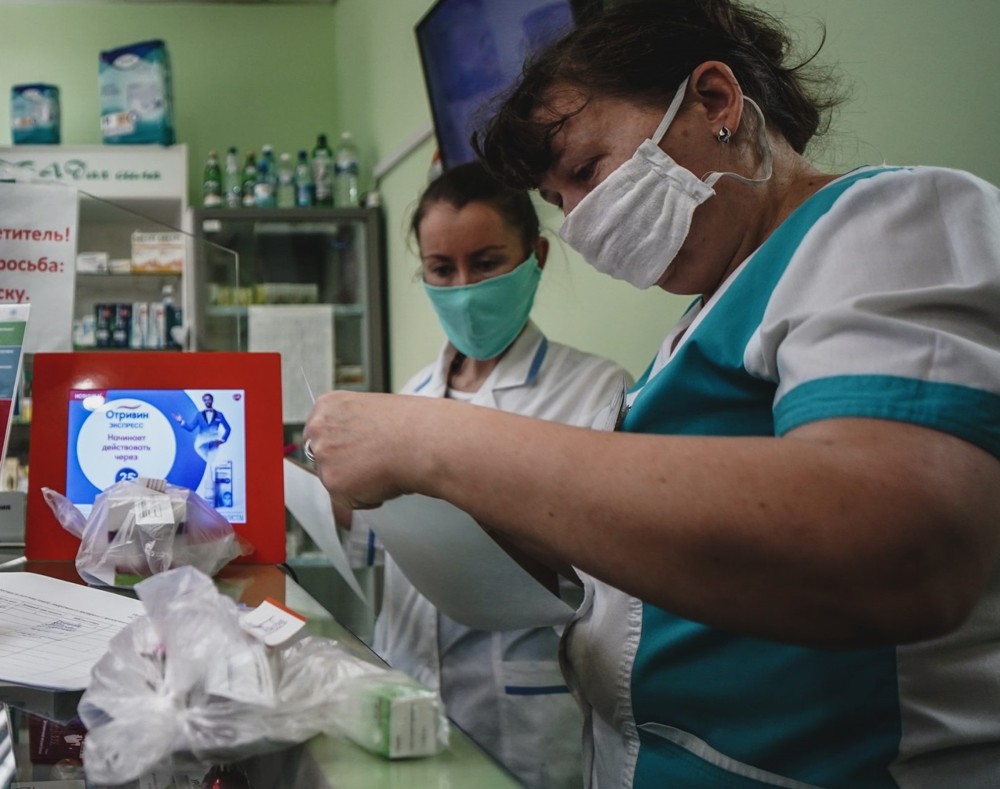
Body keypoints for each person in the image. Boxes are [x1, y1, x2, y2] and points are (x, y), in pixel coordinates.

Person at [304, 2, 1000, 787]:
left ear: (715, 100)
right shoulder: (701, 323)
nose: (580, 220)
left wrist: (432, 440)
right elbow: (660, 549)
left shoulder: (891, 220)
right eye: (560, 201)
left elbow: (900, 548)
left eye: (585, 171)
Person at [345, 161, 630, 789]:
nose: (464, 288)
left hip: (524, 712)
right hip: (406, 691)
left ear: (537, 257)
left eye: (487, 262)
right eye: (442, 269)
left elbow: (610, 560)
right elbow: (377, 538)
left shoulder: (595, 391)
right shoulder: (411, 395)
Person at [171, 392, 231, 499]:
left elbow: (228, 429)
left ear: (212, 400)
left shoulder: (219, 414)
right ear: (204, 401)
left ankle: (212, 493)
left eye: (209, 399)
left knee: (211, 465)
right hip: (201, 442)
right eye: (205, 400)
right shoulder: (199, 415)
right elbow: (191, 428)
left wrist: (222, 440)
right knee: (209, 464)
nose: (207, 401)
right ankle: (209, 493)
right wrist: (181, 421)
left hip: (213, 442)